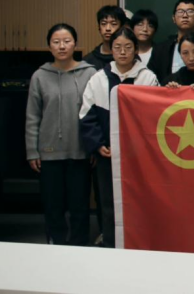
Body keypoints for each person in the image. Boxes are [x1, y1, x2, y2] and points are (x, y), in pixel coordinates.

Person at [79, 27, 158, 247]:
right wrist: (98, 145)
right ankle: (111, 245)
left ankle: (139, 245)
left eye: (128, 47)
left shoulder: (148, 77)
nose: (122, 52)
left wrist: (137, 148)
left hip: (139, 157)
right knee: (109, 203)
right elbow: (86, 116)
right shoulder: (98, 79)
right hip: (108, 155)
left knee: (140, 201)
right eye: (117, 47)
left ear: (136, 49)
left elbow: (153, 117)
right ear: (111, 50)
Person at [25, 24, 96, 246]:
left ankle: (79, 245)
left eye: (67, 41)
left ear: (75, 44)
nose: (62, 46)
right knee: (53, 205)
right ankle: (55, 245)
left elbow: (96, 113)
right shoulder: (40, 76)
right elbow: (33, 116)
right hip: (49, 152)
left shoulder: (90, 73)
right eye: (56, 42)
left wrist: (95, 145)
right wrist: (32, 150)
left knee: (79, 205)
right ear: (49, 47)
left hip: (80, 150)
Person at [147, 0, 194, 84]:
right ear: (173, 18)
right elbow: (150, 79)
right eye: (180, 12)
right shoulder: (160, 49)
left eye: (190, 11)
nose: (185, 16)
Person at [83, 5, 127, 71]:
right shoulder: (88, 61)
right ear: (99, 27)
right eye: (104, 24)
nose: (108, 28)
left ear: (121, 27)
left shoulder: (128, 58)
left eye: (113, 24)